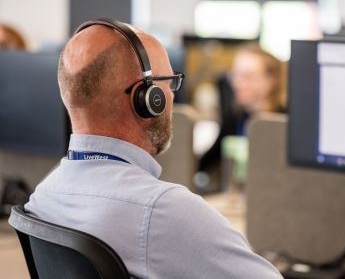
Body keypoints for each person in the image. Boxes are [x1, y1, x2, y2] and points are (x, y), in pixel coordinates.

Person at [24, 19, 282, 279]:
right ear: (148, 100)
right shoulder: (166, 211)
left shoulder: (43, 195)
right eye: (168, 83)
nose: (172, 95)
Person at [198, 43, 285, 178]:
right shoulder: (236, 118)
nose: (238, 83)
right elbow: (206, 162)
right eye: (235, 75)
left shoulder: (284, 124)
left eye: (248, 76)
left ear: (272, 80)